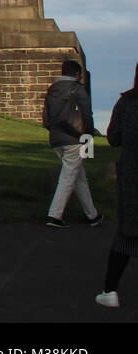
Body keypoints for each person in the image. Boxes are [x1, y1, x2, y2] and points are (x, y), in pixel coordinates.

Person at [43, 59, 103, 228]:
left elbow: (47, 118)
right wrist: (89, 135)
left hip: (56, 138)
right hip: (74, 138)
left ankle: (93, 215)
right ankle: (54, 216)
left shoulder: (52, 89)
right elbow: (86, 113)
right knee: (68, 177)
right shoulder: (77, 89)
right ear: (77, 74)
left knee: (79, 177)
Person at [98, 64, 138, 307]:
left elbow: (113, 138)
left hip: (133, 176)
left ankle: (109, 291)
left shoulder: (126, 103)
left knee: (126, 237)